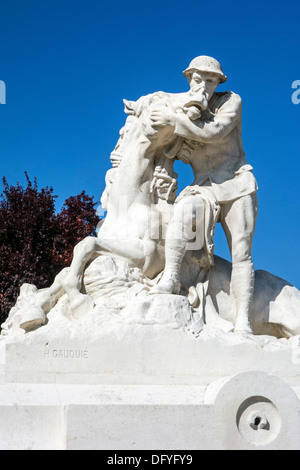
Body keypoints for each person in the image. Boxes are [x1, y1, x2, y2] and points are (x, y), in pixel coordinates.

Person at [150, 56, 258, 334]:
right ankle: (171, 277)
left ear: (218, 82)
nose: (204, 85)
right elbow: (164, 150)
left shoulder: (230, 101)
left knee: (242, 252)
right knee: (183, 213)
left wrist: (174, 121)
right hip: (205, 186)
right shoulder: (181, 110)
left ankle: (243, 319)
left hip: (237, 184)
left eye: (210, 80)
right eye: (198, 79)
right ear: (189, 79)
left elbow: (214, 132)